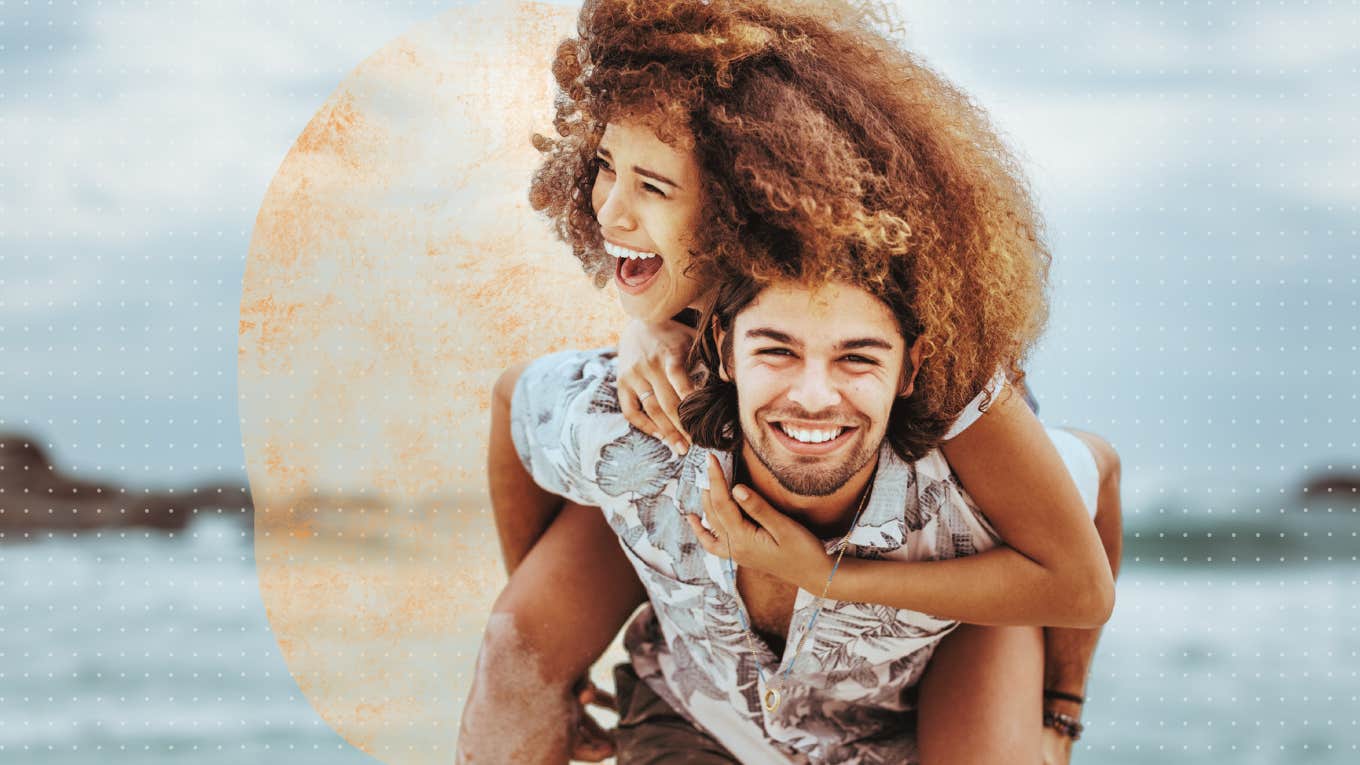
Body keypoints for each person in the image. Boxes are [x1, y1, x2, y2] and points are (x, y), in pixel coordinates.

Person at [462, 0, 1123, 761]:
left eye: (654, 185)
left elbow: (1077, 565)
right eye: (606, 166)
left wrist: (830, 578)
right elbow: (522, 397)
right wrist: (649, 324)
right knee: (521, 647)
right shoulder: (675, 337)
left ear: (741, 197)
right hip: (721, 514)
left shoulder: (926, 375)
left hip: (921, 513)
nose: (608, 206)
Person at [471, 264, 1115, 764]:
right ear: (722, 350)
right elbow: (514, 398)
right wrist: (553, 644)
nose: (813, 396)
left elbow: (1099, 476)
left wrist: (1060, 710)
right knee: (511, 665)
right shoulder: (635, 437)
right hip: (700, 711)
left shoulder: (965, 495)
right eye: (777, 351)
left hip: (906, 727)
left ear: (910, 367)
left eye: (857, 358)